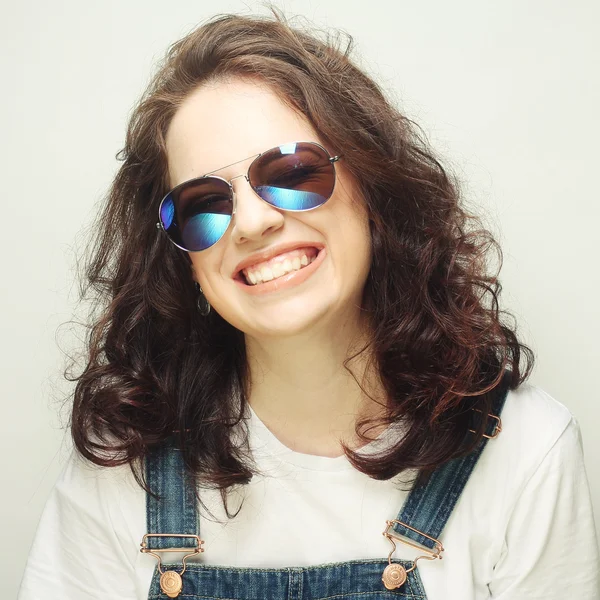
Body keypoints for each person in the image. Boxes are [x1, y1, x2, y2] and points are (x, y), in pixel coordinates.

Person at [18, 10, 599, 600]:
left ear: (372, 189)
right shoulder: (125, 465)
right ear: (182, 261)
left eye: (293, 170)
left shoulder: (524, 451)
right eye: (202, 205)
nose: (251, 222)